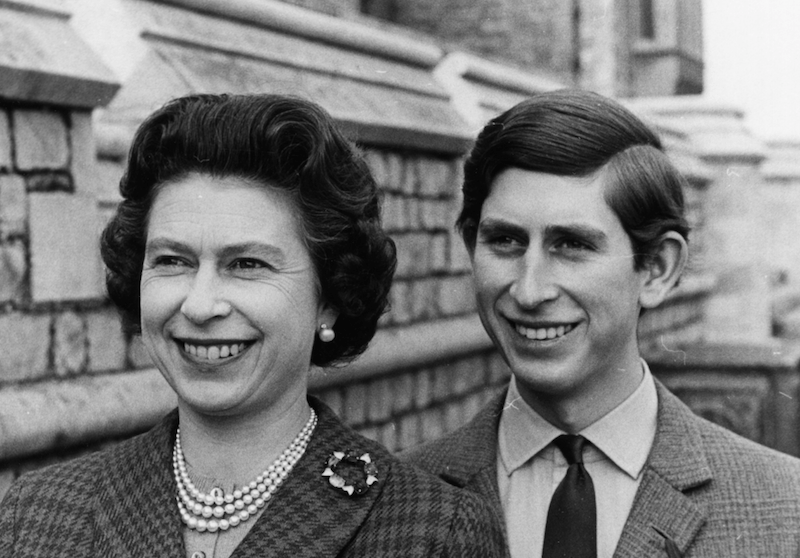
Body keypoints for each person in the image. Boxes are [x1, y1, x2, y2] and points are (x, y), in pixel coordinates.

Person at [0, 93, 505, 557]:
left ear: (330, 298)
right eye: (173, 261)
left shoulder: (431, 533)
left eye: (246, 265)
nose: (199, 306)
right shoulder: (39, 517)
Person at [404, 89, 800, 557]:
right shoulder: (398, 503)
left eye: (570, 245)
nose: (529, 291)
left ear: (657, 269)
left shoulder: (783, 511)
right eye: (505, 241)